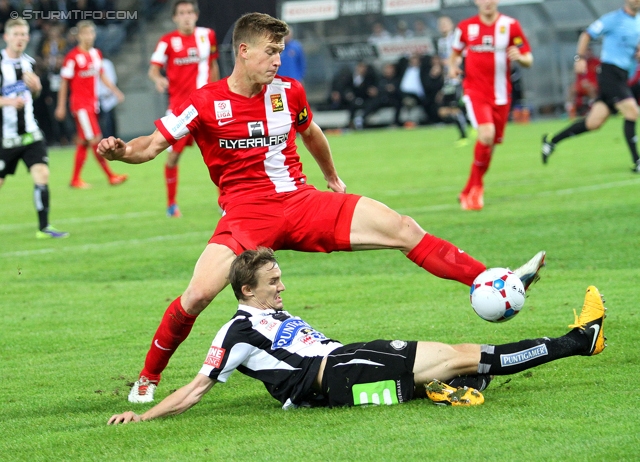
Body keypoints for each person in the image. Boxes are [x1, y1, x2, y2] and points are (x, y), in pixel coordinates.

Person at [97, 12, 546, 404]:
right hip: (246, 216)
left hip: (303, 202)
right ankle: (148, 378)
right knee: (196, 296)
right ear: (243, 50)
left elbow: (311, 134)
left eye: (281, 51)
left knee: (404, 227)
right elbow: (151, 145)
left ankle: (495, 281)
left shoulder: (288, 92)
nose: (278, 60)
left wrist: (330, 177)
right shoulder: (203, 101)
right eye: (271, 51)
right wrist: (120, 152)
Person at [107, 248, 607, 424]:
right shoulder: (237, 329)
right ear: (246, 290)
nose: (282, 286)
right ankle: (581, 340)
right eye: (273, 282)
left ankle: (444, 389)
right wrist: (144, 415)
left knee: (463, 365)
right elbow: (197, 387)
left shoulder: (269, 314)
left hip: (345, 366)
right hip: (331, 375)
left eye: (281, 278)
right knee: (465, 355)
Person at [449, 0, 533, 210]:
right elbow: (454, 55)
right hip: (475, 92)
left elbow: (528, 57)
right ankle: (476, 190)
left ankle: (468, 189)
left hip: (502, 95)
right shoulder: (465, 27)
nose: (487, 2)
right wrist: (452, 67)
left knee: (490, 146)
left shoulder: (510, 25)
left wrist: (520, 58)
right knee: (486, 135)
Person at [541, 0, 640, 172]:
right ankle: (637, 162)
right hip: (610, 73)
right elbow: (587, 34)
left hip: (622, 75)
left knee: (593, 123)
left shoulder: (637, 21)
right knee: (632, 111)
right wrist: (579, 59)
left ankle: (552, 141)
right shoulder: (613, 19)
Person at [149, 0, 220, 218]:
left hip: (206, 106)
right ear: (175, 17)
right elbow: (153, 70)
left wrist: (217, 93)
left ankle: (226, 202)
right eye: (182, 13)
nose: (187, 16)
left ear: (196, 15)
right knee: (172, 158)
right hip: (179, 111)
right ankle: (171, 204)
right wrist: (158, 80)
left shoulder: (208, 35)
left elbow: (213, 65)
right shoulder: (167, 42)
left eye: (190, 12)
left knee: (220, 154)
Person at [0, 19, 69, 239]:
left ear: (28, 38)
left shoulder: (29, 63)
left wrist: (37, 89)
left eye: (23, 34)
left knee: (42, 173)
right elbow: (10, 100)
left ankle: (44, 227)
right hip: (5, 137)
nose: (20, 38)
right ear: (6, 37)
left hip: (30, 132)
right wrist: (8, 102)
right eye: (16, 34)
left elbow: (33, 97)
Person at [55, 20, 127, 189]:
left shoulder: (96, 54)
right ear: (79, 36)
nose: (89, 36)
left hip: (92, 104)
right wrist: (60, 105)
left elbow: (102, 75)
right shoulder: (72, 57)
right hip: (81, 106)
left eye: (91, 33)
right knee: (96, 139)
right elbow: (64, 83)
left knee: (84, 142)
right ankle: (111, 176)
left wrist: (115, 91)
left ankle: (75, 179)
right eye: (85, 33)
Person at [436, 16, 470, 146]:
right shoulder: (440, 42)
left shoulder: (456, 38)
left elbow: (461, 55)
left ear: (451, 25)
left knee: (453, 106)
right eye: (441, 24)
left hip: (457, 76)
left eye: (445, 23)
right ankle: (469, 127)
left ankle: (464, 136)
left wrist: (454, 64)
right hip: (448, 78)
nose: (443, 26)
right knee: (450, 107)